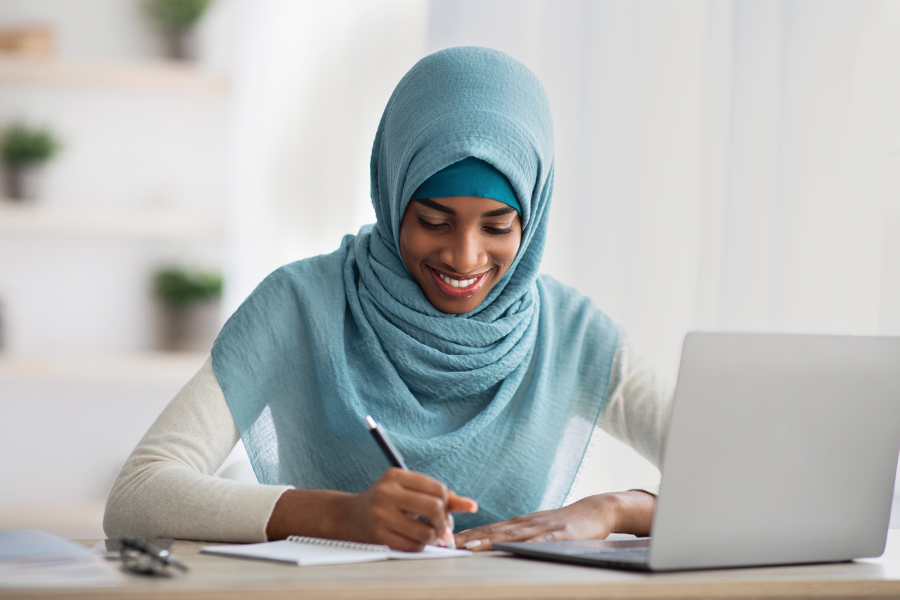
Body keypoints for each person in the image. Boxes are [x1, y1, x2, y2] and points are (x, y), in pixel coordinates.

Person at [104, 46, 671, 551]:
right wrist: (339, 515)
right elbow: (137, 495)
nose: (464, 258)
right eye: (433, 220)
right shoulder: (299, 306)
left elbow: (746, 488)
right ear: (392, 192)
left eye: (497, 227)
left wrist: (621, 509)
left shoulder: (573, 334)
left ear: (534, 220)